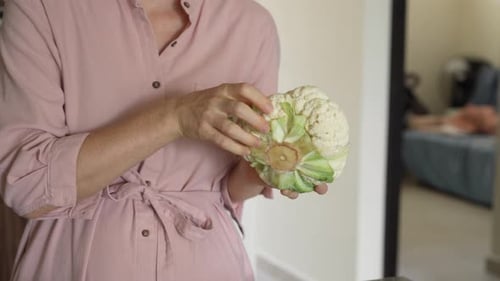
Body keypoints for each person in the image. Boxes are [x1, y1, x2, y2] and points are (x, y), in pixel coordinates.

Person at [0, 0, 328, 280]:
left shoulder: (252, 27)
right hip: (69, 264)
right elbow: (27, 185)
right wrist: (174, 117)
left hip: (211, 266)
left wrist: (266, 170)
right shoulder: (41, 9)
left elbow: (226, 192)